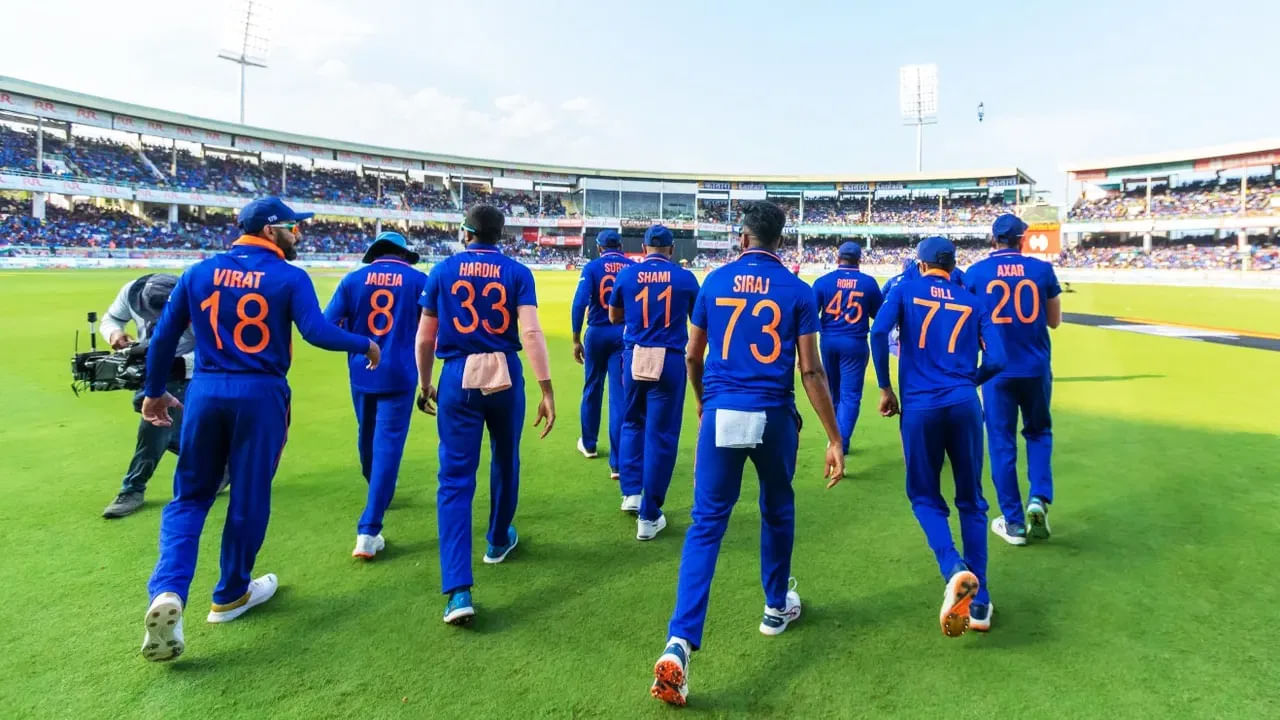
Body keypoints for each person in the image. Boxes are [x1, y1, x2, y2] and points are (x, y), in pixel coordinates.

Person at [137, 197, 380, 662]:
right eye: (292, 226)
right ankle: (231, 593)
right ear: (270, 230)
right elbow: (316, 332)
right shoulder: (289, 276)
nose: (298, 233)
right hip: (261, 395)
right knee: (249, 496)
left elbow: (163, 337)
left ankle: (167, 590)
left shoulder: (198, 272)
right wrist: (365, 343)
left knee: (189, 498)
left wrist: (153, 392)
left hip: (206, 392)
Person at [650, 201, 845, 707]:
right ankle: (775, 607)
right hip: (773, 414)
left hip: (721, 410)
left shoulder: (714, 283)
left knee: (706, 525)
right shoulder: (798, 291)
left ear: (742, 238)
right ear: (781, 240)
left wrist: (702, 400)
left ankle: (678, 642)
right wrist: (834, 436)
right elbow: (810, 370)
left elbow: (693, 354)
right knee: (777, 509)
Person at [415, 205, 555, 626]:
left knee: (455, 479)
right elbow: (530, 331)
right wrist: (546, 387)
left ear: (466, 233)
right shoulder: (517, 272)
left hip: (458, 374)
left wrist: (425, 383)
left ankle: (458, 590)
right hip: (505, 372)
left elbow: (425, 338)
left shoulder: (442, 271)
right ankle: (497, 539)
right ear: (500, 235)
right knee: (505, 458)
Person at [870, 236, 1006, 637]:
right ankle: (979, 604)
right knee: (972, 501)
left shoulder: (904, 290)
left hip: (920, 407)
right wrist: (970, 381)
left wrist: (885, 387)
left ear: (921, 264)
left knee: (925, 496)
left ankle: (953, 567)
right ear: (952, 266)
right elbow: (998, 358)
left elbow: (878, 333)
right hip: (964, 404)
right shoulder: (973, 301)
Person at [324, 231, 428, 559]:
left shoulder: (352, 280)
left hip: (361, 371)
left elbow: (327, 325)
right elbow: (433, 330)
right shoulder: (419, 280)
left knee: (366, 436)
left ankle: (377, 490)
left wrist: (360, 344)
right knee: (389, 446)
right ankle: (369, 529)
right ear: (404, 254)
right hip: (401, 373)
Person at [962, 214, 1062, 546]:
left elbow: (967, 326)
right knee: (1039, 432)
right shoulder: (1042, 270)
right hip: (1035, 367)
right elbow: (1054, 321)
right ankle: (1039, 497)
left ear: (993, 239)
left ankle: (1015, 523)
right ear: (1022, 239)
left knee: (1001, 443)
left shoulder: (975, 273)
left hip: (996, 371)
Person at [608, 224, 700, 540]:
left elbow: (613, 316)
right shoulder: (685, 278)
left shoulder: (626, 274)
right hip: (670, 357)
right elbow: (698, 319)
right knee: (662, 435)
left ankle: (631, 493)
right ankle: (649, 515)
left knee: (632, 422)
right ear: (671, 250)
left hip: (635, 353)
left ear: (645, 248)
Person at [99, 273, 209, 518]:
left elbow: (212, 352)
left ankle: (132, 489)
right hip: (152, 365)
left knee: (155, 425)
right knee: (158, 420)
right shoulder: (131, 291)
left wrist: (178, 364)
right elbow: (112, 319)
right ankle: (217, 463)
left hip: (186, 370)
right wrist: (114, 334)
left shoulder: (202, 306)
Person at [570, 230, 634, 487]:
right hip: (623, 333)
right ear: (620, 246)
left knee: (592, 388)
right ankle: (617, 463)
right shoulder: (631, 267)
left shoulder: (593, 267)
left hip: (597, 332)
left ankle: (589, 444)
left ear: (599, 248)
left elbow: (579, 303)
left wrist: (576, 337)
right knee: (619, 395)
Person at [811, 242, 883, 455]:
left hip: (828, 341)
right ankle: (840, 443)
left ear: (837, 258)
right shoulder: (869, 283)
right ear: (859, 259)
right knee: (850, 395)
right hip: (854, 342)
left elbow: (810, 316)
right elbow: (878, 315)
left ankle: (834, 438)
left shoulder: (822, 282)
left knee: (832, 392)